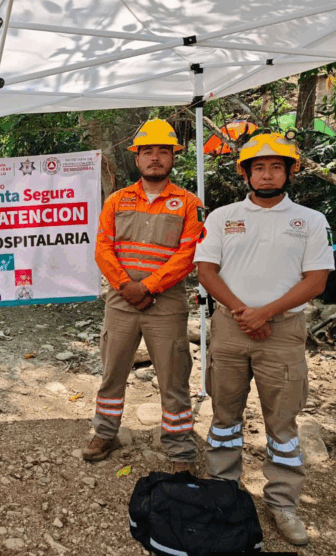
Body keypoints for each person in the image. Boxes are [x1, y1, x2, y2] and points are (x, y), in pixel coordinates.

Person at [194, 133, 334, 547]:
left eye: (276, 166)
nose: (267, 174)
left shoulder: (310, 220)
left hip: (283, 333)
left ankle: (283, 502)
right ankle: (223, 490)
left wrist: (265, 313)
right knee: (224, 415)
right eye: (258, 167)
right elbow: (206, 271)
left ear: (290, 171)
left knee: (283, 422)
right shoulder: (221, 217)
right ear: (246, 174)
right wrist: (244, 312)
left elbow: (317, 279)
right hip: (229, 327)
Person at [83, 119, 204, 474]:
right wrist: (125, 286)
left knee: (173, 376)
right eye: (147, 151)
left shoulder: (188, 203)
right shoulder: (117, 200)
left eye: (162, 151)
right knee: (112, 371)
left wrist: (148, 286)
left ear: (172, 157)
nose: (155, 158)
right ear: (137, 159)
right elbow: (103, 248)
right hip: (121, 300)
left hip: (166, 303)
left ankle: (180, 447)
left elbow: (187, 255)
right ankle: (105, 433)